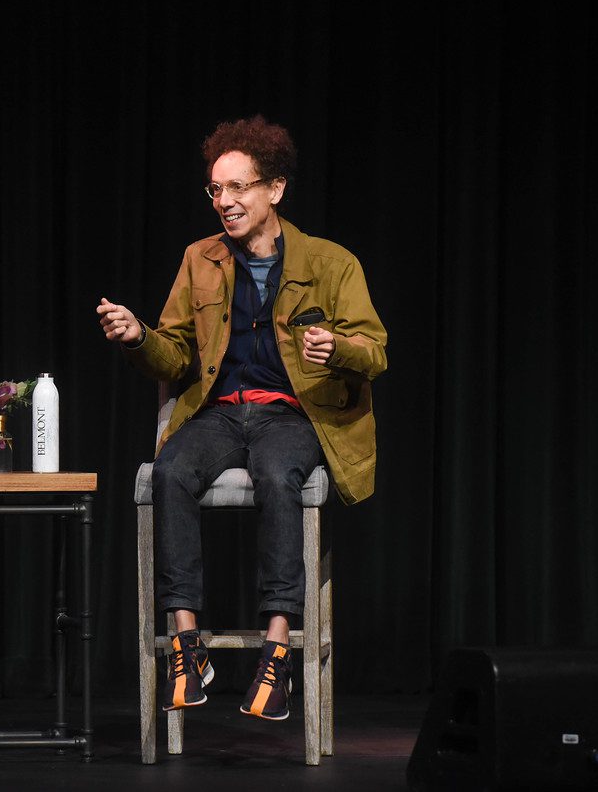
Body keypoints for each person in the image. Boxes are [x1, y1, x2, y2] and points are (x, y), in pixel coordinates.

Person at [97, 116, 387, 721]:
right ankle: (187, 643)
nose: (224, 202)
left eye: (237, 188)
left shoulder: (330, 263)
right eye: (216, 191)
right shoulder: (200, 260)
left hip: (293, 416)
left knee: (281, 476)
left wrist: (336, 347)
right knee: (170, 471)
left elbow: (375, 350)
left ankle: (277, 648)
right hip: (221, 414)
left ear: (274, 190)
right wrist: (136, 336)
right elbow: (174, 353)